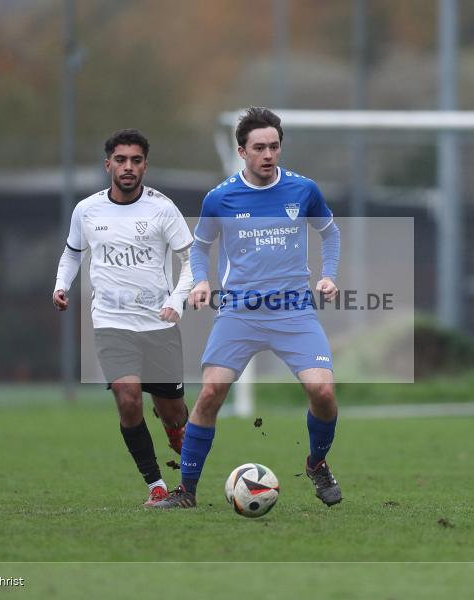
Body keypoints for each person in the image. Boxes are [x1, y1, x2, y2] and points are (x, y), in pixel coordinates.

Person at [152, 106, 342, 509]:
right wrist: (201, 280)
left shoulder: (303, 190)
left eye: (274, 146)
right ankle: (186, 491)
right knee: (210, 395)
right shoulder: (220, 197)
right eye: (259, 148)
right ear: (242, 151)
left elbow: (330, 234)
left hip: (294, 310)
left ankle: (316, 464)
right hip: (239, 312)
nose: (268, 155)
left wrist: (329, 275)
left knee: (323, 392)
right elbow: (200, 246)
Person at [53, 129, 194, 507]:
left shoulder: (163, 209)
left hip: (159, 323)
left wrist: (178, 300)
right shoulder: (87, 210)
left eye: (135, 160)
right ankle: (156, 485)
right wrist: (60, 285)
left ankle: (173, 426)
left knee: (175, 412)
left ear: (145, 165)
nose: (128, 167)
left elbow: (190, 262)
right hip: (111, 322)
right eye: (121, 160)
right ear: (108, 165)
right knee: (127, 397)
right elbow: (71, 254)